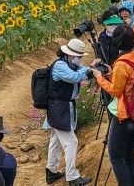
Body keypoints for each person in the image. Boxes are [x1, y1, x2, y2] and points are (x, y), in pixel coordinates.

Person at [91, 25, 134, 186]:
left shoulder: (122, 63)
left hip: (124, 115)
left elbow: (116, 91)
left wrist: (100, 77)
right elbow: (128, 83)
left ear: (116, 42)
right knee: (129, 156)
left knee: (115, 156)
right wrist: (111, 72)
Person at [44, 39, 93, 186]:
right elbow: (75, 77)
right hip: (59, 108)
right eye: (79, 56)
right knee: (71, 141)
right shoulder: (60, 65)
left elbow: (82, 70)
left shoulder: (71, 64)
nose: (80, 59)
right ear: (70, 55)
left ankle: (51, 172)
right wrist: (90, 71)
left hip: (62, 107)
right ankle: (72, 176)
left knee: (56, 140)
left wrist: (92, 68)